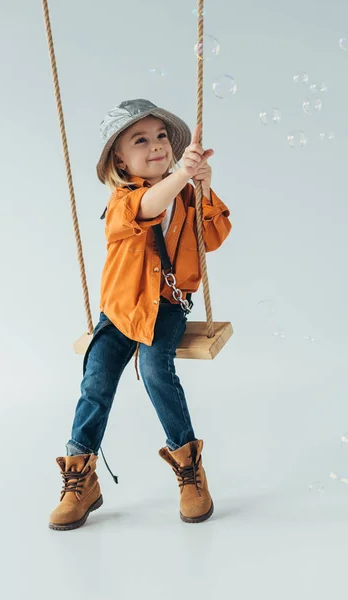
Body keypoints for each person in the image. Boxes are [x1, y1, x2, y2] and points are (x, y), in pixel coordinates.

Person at [49, 99, 232, 531]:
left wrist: (203, 186)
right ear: (119, 156)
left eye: (162, 137)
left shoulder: (186, 193)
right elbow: (147, 207)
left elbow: (213, 237)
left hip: (166, 306)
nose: (156, 146)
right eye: (141, 139)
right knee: (96, 377)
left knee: (154, 367)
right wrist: (183, 176)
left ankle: (189, 468)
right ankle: (81, 478)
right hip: (122, 307)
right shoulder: (122, 201)